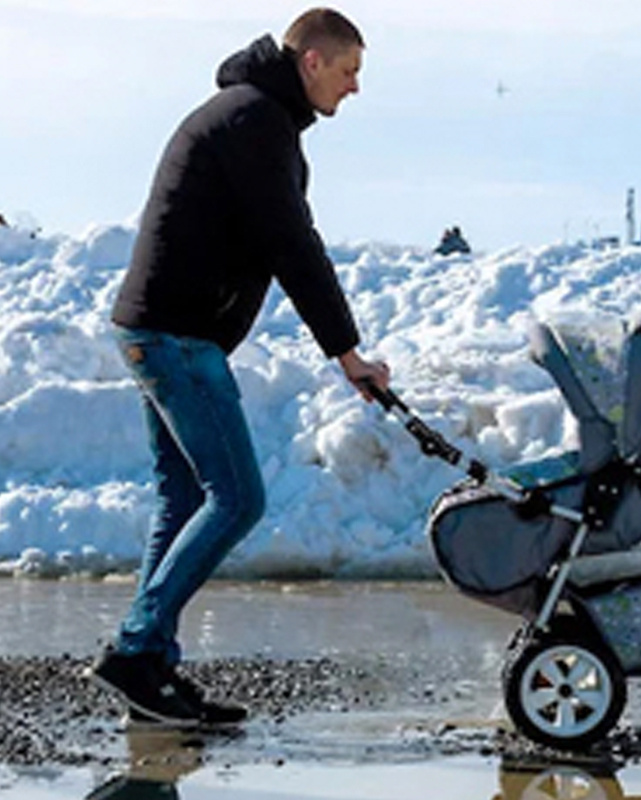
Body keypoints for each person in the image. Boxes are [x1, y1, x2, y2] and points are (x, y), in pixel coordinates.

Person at [90, 7, 390, 728]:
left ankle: (151, 673)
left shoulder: (247, 114)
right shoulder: (256, 121)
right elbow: (294, 246)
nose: (354, 90)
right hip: (177, 338)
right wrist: (347, 353)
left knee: (185, 499)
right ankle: (135, 650)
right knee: (238, 498)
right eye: (348, 71)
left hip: (159, 330)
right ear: (311, 60)